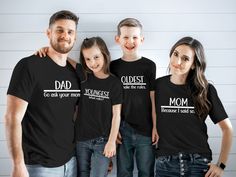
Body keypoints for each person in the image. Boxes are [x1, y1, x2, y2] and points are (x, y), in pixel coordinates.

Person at [4, 10, 79, 177]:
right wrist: (18, 165)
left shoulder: (76, 72)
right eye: (59, 30)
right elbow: (12, 118)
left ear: (75, 37)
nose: (65, 35)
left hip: (71, 162)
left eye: (70, 32)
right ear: (48, 33)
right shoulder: (29, 66)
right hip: (38, 167)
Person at [154, 36, 233, 177]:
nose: (177, 62)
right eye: (176, 54)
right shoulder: (157, 86)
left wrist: (221, 165)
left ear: (194, 64)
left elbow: (227, 129)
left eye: (185, 58)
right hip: (165, 165)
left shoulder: (205, 90)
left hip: (198, 165)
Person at [110, 18, 158, 177]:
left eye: (135, 37)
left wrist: (156, 126)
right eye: (125, 37)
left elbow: (153, 99)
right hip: (122, 129)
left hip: (146, 129)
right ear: (118, 39)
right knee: (124, 171)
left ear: (142, 39)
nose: (130, 41)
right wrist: (113, 129)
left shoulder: (149, 66)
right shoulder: (113, 67)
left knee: (146, 171)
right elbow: (111, 101)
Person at [75, 37, 123, 177]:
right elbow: (63, 58)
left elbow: (116, 115)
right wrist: (46, 49)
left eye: (96, 57)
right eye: (87, 59)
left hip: (102, 141)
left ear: (104, 54)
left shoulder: (114, 83)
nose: (92, 63)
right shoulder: (83, 75)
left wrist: (111, 141)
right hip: (81, 139)